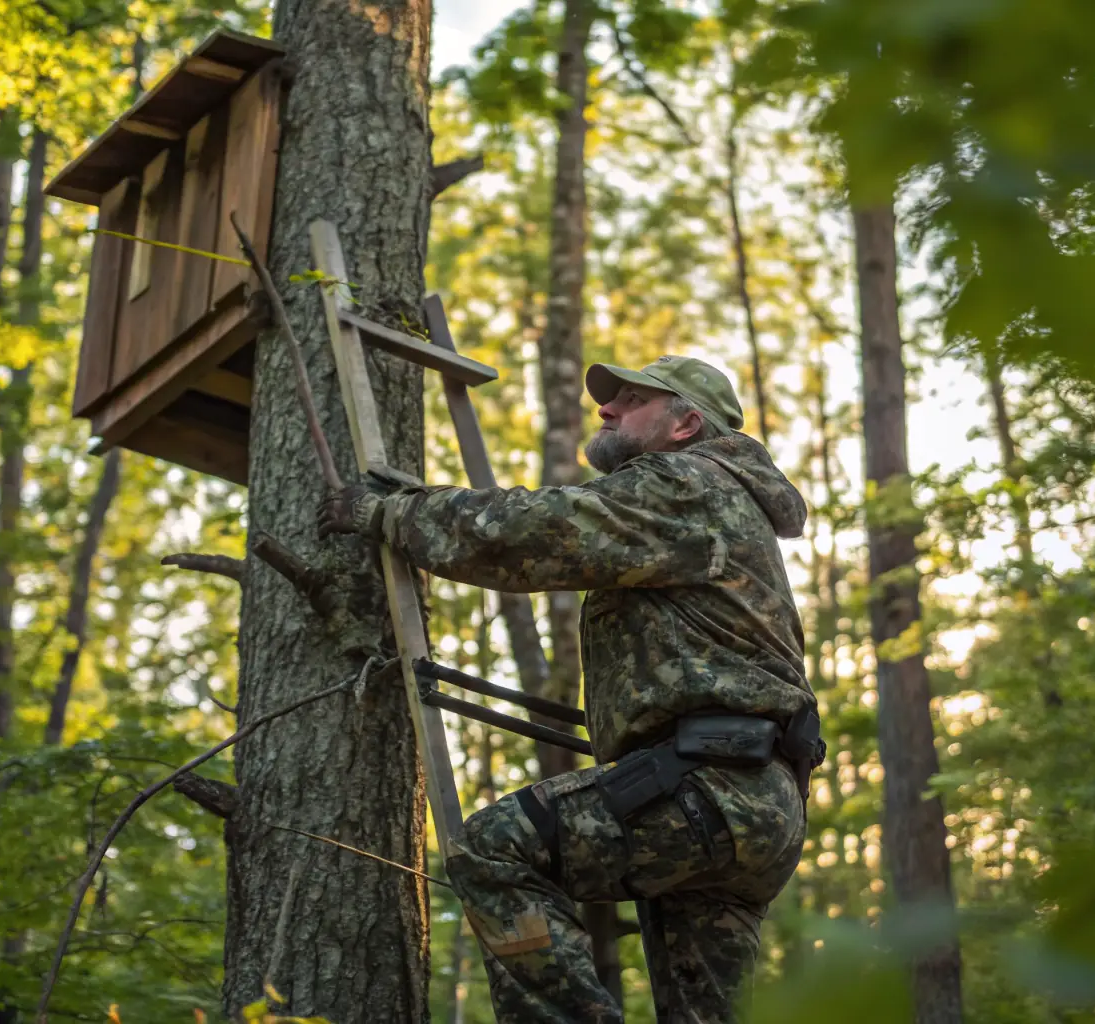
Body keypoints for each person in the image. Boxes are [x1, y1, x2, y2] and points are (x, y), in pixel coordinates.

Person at [318, 355, 822, 1023]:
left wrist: (390, 513)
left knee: (493, 848)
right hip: (751, 806)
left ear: (685, 424)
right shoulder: (715, 500)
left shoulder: (687, 484)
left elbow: (529, 533)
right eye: (608, 400)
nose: (606, 409)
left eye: (632, 399)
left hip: (713, 788)